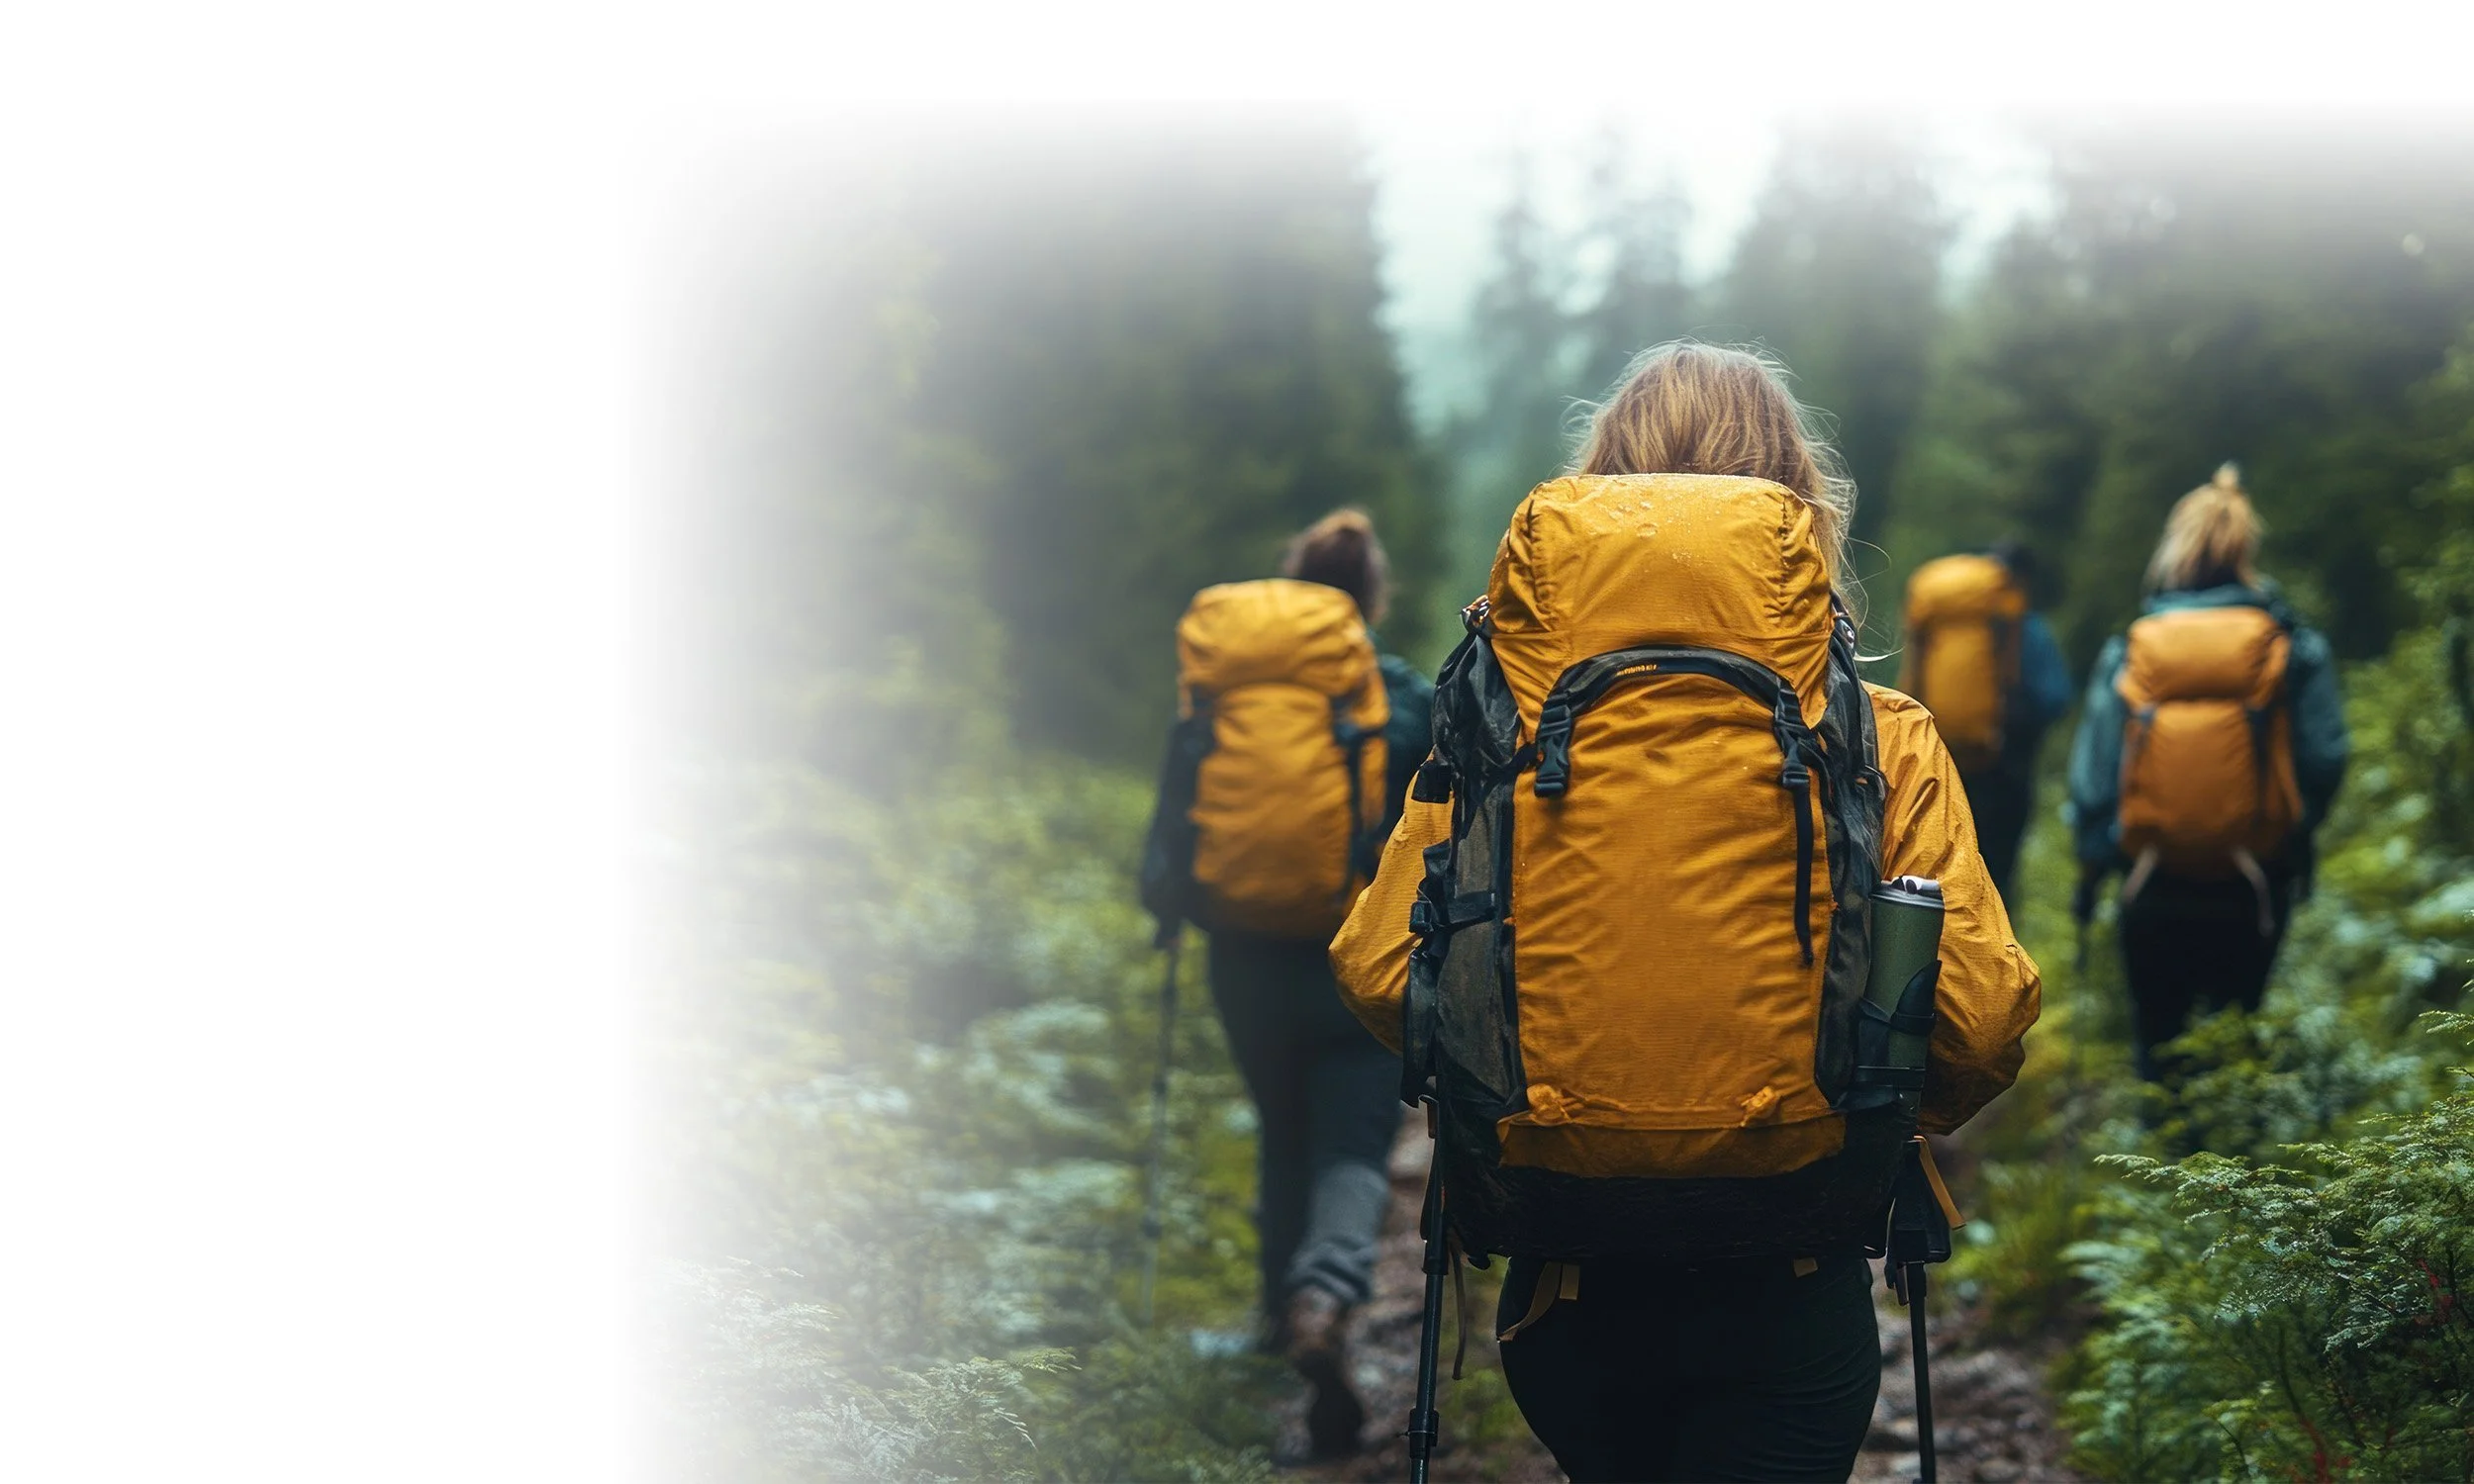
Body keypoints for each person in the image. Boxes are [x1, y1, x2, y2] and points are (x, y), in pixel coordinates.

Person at [1329, 343, 2042, 1483]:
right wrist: (1881, 1101)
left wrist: (1500, 1063)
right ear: (1800, 516)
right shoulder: (1880, 734)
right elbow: (1980, 1018)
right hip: (1792, 1279)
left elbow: (1376, 970)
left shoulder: (1497, 732)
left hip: (1566, 1283)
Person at [1139, 509, 1433, 1459]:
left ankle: (1276, 1319)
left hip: (1244, 954)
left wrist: (1167, 909)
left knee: (1282, 1129)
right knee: (1352, 1140)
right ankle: (1329, 1289)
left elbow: (1175, 815)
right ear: (1368, 601)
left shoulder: (1223, 694)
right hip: (1357, 953)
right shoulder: (1395, 699)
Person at [2065, 464, 2348, 1082]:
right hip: (2254, 882)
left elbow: (2092, 780)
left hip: (2149, 880)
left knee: (2160, 1050)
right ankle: (2234, 1170)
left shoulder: (2134, 647)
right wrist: (2288, 835)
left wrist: (2092, 872)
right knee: (2235, 1045)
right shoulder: (2290, 646)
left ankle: (2158, 1173)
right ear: (2247, 549)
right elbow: (2325, 757)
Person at [1897, 541, 2073, 905]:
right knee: (1995, 872)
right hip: (2002, 767)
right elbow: (2055, 698)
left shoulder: (1947, 616)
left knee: (1937, 869)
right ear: (2020, 581)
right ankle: (1995, 954)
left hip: (1937, 760)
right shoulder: (2025, 628)